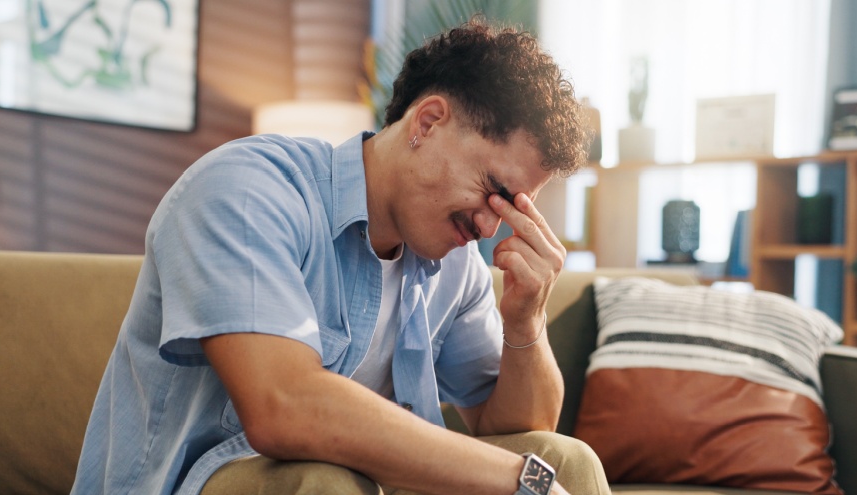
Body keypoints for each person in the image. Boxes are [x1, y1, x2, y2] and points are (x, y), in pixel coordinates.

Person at [71, 16, 608, 495]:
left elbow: (519, 429)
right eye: (492, 188)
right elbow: (284, 407)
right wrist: (520, 480)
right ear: (427, 122)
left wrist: (526, 319)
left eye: (512, 206)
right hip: (206, 483)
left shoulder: (454, 265)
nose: (492, 225)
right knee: (326, 479)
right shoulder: (246, 190)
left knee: (568, 460)